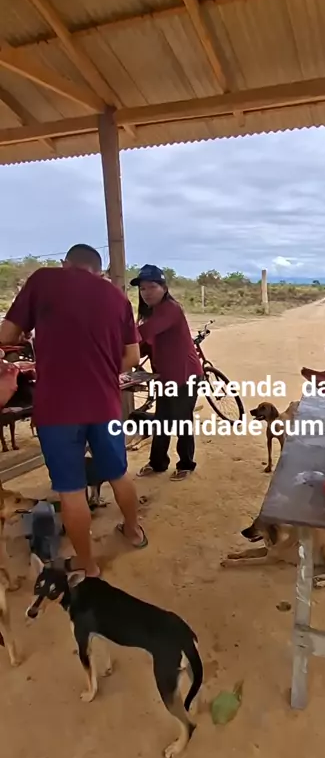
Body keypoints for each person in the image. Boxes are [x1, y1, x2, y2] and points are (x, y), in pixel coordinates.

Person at [0, 244, 147, 577]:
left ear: (66, 264)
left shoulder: (44, 280)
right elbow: (132, 357)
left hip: (58, 408)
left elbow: (7, 334)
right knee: (118, 473)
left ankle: (88, 565)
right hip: (105, 404)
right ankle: (133, 531)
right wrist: (102, 371)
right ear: (99, 271)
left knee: (70, 489)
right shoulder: (118, 298)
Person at [133, 265, 203, 481]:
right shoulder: (151, 313)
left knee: (181, 420)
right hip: (164, 377)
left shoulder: (170, 309)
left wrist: (114, 336)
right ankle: (157, 462)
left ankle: (186, 464)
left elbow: (143, 333)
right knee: (162, 420)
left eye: (152, 287)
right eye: (142, 288)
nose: (146, 292)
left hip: (185, 375)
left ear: (164, 288)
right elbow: (144, 344)